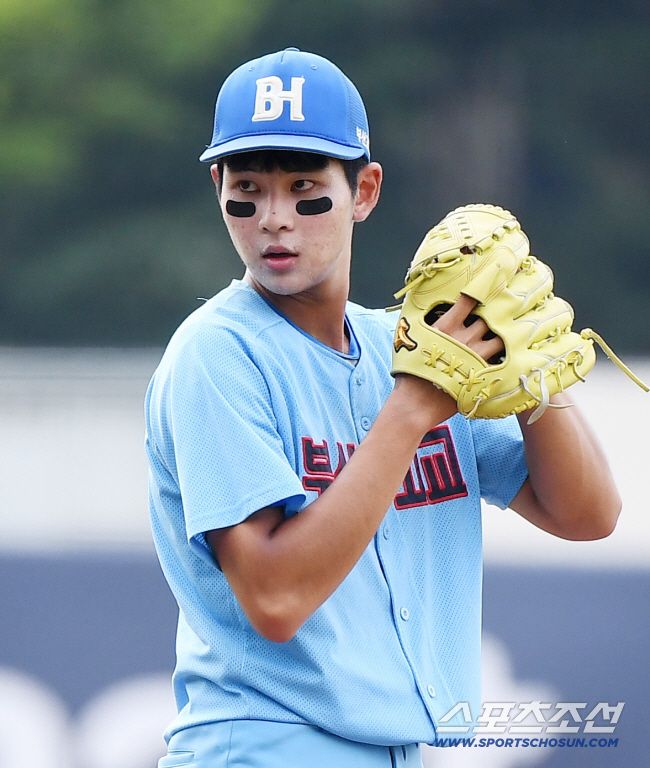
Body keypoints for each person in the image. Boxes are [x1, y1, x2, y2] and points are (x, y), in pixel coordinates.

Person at [145, 47, 620, 768]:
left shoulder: (409, 347)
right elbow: (275, 599)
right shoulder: (218, 354)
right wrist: (411, 409)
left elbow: (587, 515)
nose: (274, 219)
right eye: (247, 190)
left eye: (305, 189)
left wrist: (535, 379)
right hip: (260, 749)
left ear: (363, 191)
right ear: (219, 188)